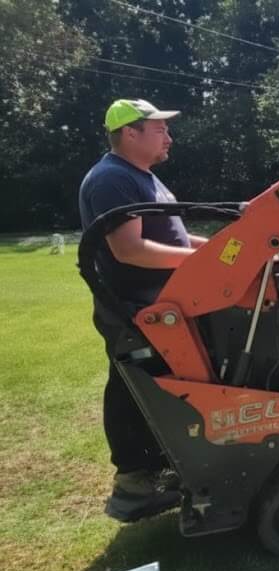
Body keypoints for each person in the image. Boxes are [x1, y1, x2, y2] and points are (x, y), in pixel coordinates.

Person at [79, 99, 208, 522]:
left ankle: (163, 466)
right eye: (159, 130)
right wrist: (198, 264)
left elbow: (176, 237)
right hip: (135, 309)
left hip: (158, 305)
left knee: (161, 385)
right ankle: (134, 481)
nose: (169, 137)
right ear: (130, 133)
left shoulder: (143, 177)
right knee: (136, 387)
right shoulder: (112, 179)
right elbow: (130, 249)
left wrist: (229, 251)